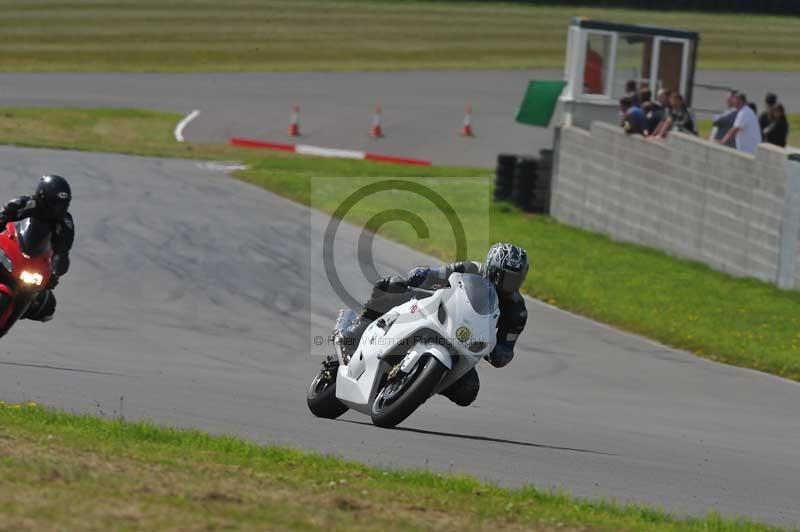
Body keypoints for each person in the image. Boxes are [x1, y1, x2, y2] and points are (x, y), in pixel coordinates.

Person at [328, 243, 529, 407]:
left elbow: (506, 349)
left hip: (463, 344)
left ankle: (420, 384)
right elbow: (442, 273)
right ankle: (354, 332)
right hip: (437, 312)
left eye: (516, 279)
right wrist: (423, 275)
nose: (510, 284)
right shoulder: (473, 269)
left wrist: (494, 352)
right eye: (507, 276)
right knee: (391, 285)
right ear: (493, 269)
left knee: (468, 390)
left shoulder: (517, 311)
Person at [0, 175, 73, 322]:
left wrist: (55, 275)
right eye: (55, 203)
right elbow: (2, 218)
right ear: (43, 197)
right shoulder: (22, 204)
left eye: (63, 204)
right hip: (11, 249)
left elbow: (63, 252)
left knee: (46, 306)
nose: (59, 208)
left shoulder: (66, 223)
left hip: (37, 262)